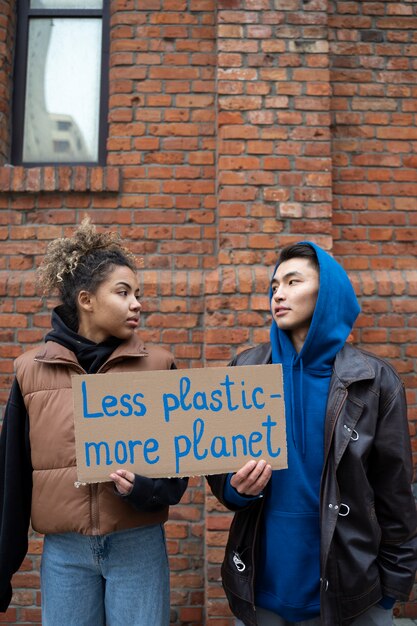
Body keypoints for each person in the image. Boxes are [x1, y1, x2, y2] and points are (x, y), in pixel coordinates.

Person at [208, 241, 417, 626]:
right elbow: (220, 474)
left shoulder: (374, 380)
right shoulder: (244, 370)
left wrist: (389, 594)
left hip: (352, 596)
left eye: (292, 281)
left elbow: (395, 491)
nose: (279, 294)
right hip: (262, 594)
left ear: (327, 293)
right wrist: (237, 488)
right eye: (274, 286)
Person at [0, 217, 188, 625]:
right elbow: (11, 480)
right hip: (64, 554)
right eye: (123, 293)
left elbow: (178, 476)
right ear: (86, 300)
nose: (137, 303)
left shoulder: (159, 366)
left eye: (138, 294)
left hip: (137, 546)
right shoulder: (30, 371)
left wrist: (143, 487)